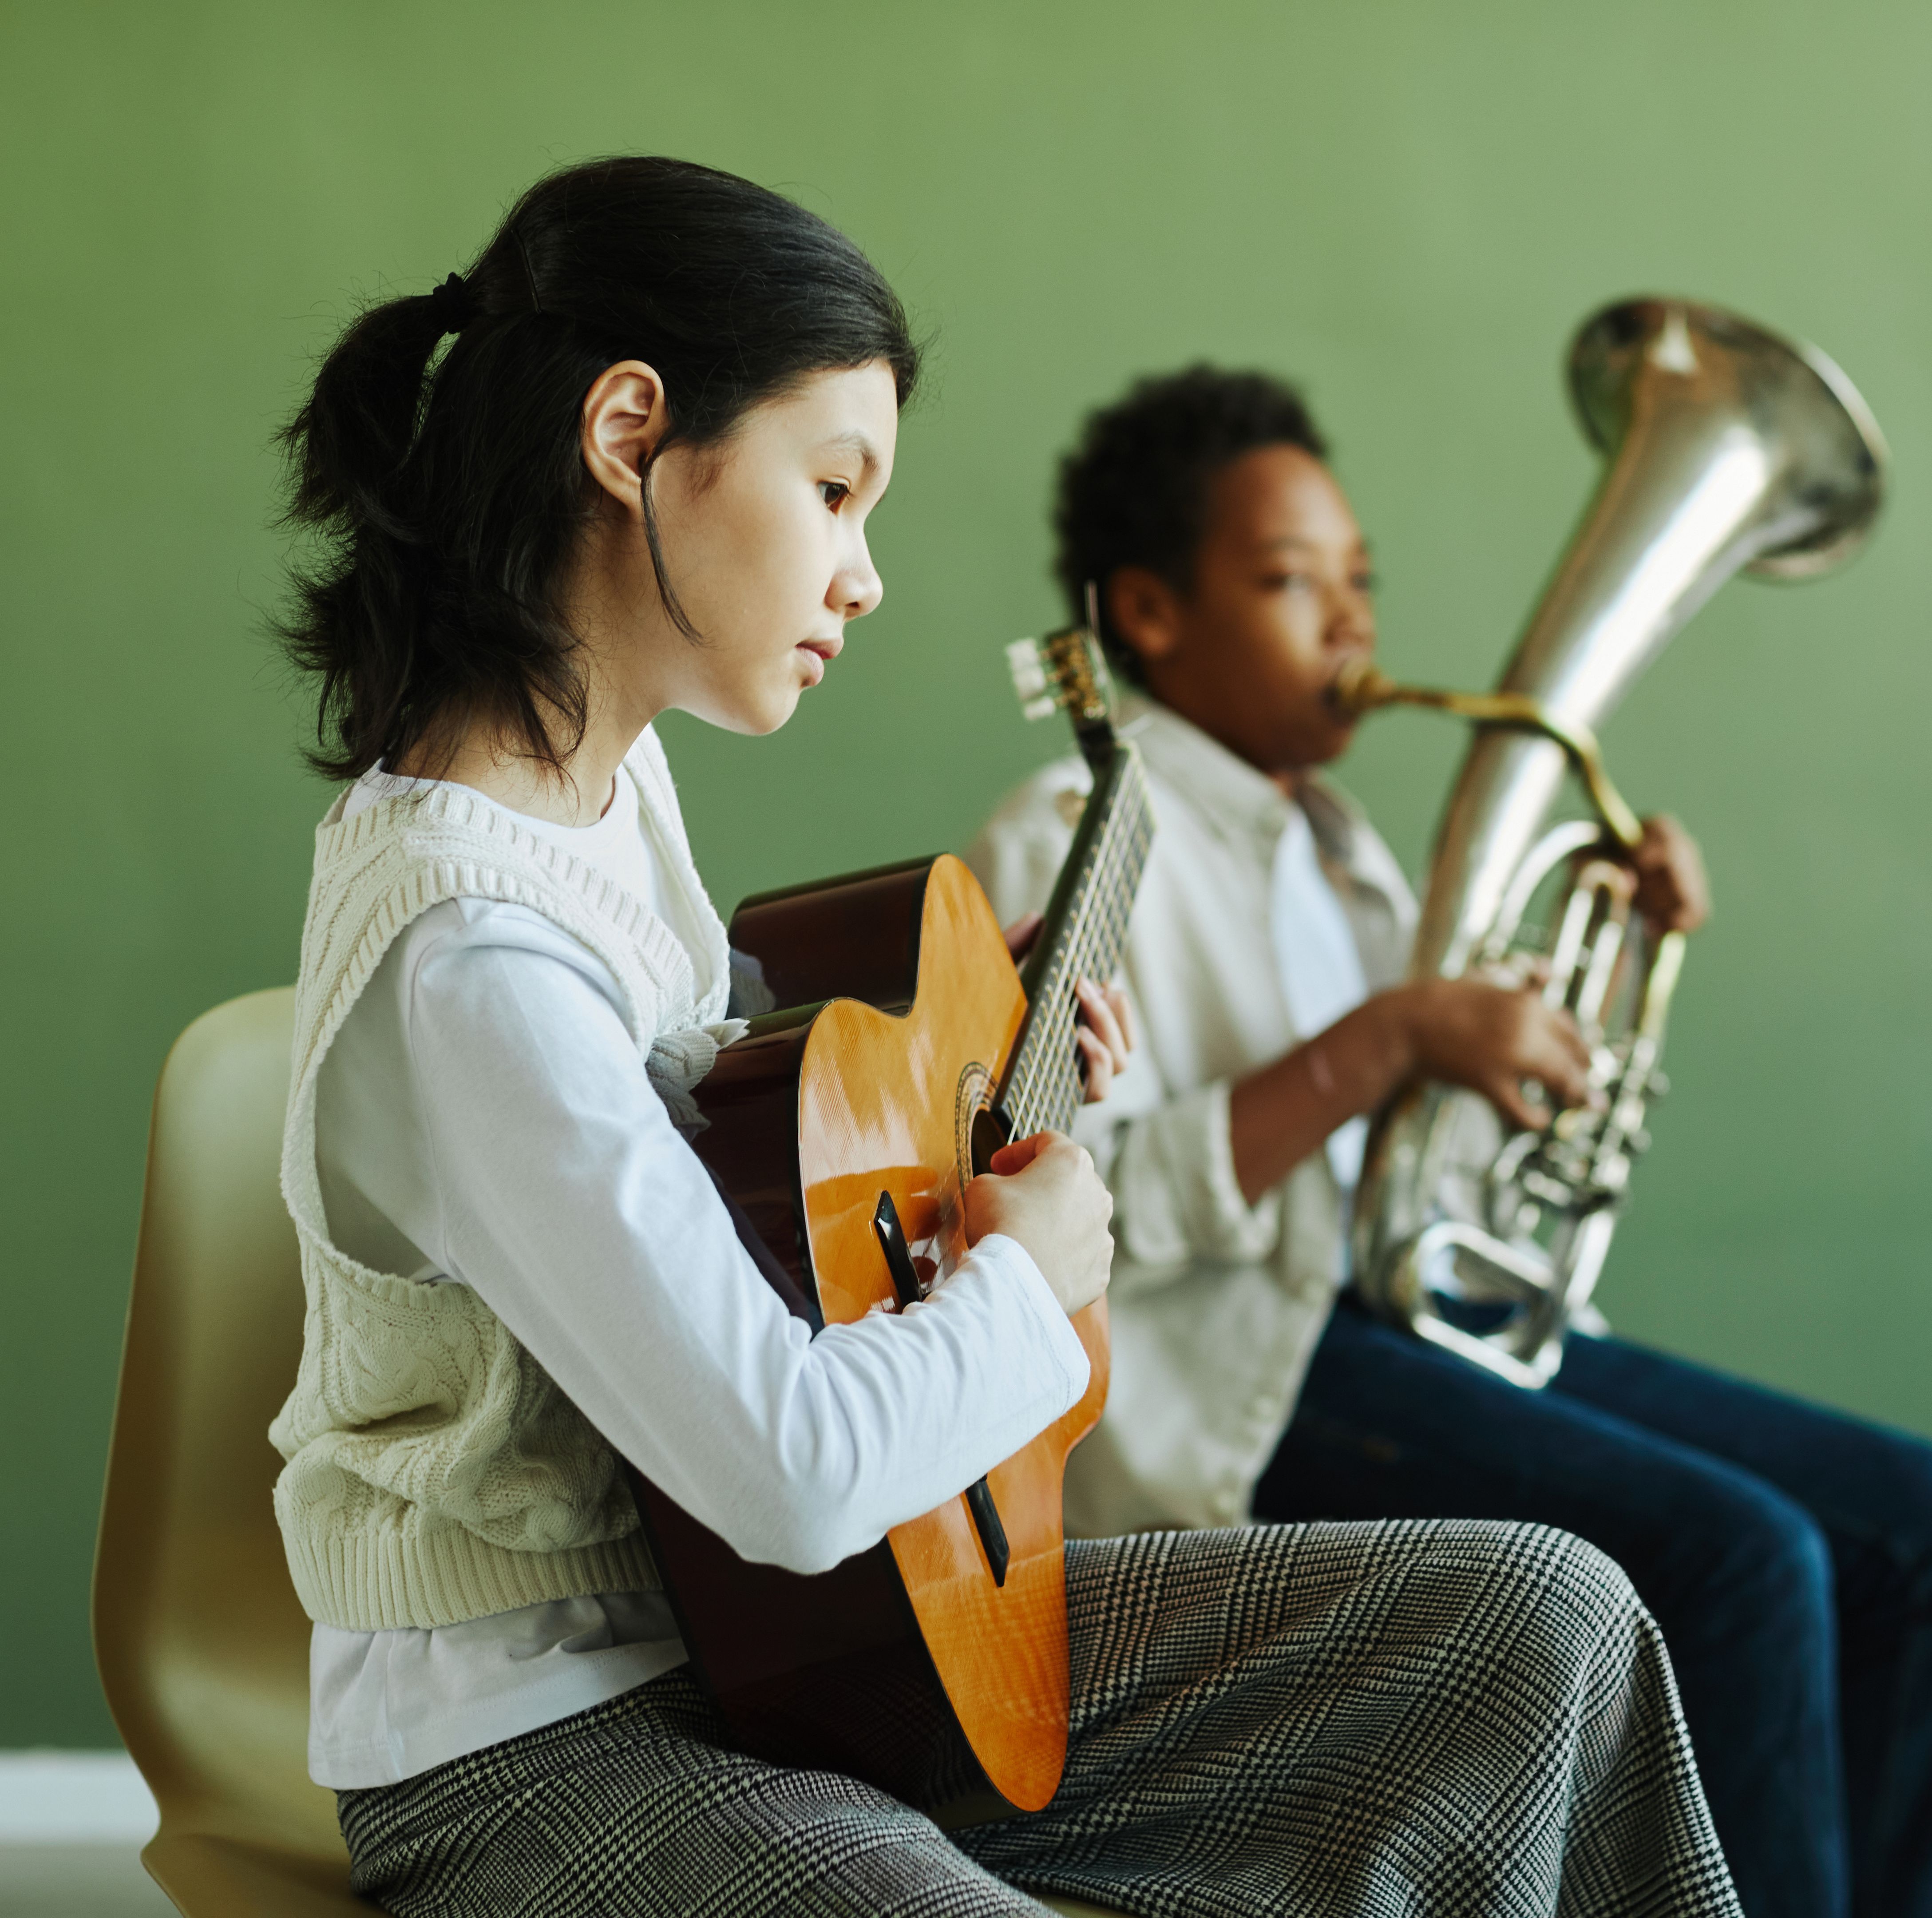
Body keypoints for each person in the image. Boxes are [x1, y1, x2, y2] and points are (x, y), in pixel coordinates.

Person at [266, 157, 1742, 1918]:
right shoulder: (465, 952)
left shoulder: (601, 782)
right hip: (538, 1743)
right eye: (834, 488)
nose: (864, 574)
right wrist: (1029, 1279)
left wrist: (975, 1038)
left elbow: (705, 1133)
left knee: (1538, 1625)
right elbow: (795, 1471)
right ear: (631, 430)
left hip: (784, 1648)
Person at [966, 365, 1932, 1918]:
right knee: (1742, 1562)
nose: (1351, 624)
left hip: (1402, 1331)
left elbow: (1418, 1177)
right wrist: (1392, 1039)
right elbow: (1059, 1205)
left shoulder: (1340, 850)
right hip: (1245, 1382)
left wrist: (1567, 999)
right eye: (1289, 582)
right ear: (1151, 614)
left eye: (1361, 582)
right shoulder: (1070, 825)